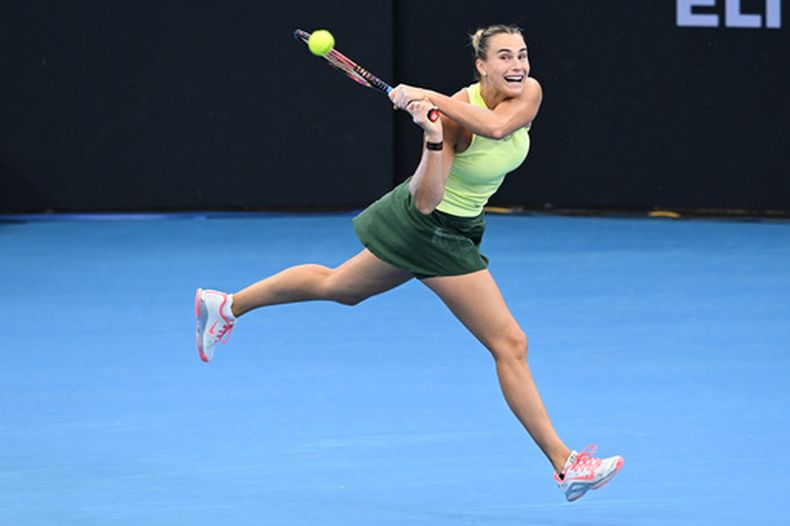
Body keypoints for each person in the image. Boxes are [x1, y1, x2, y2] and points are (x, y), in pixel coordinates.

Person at [195, 24, 623, 502]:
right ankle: (566, 464)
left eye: (521, 54)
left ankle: (227, 305)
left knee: (342, 287)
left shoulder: (528, 93)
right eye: (504, 57)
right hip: (430, 229)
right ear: (481, 66)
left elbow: (500, 128)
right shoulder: (455, 122)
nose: (518, 65)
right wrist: (434, 137)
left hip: (460, 227)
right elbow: (424, 201)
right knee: (511, 343)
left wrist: (424, 94)